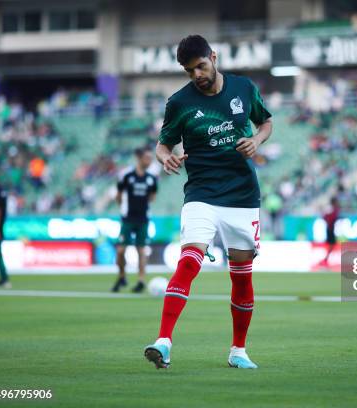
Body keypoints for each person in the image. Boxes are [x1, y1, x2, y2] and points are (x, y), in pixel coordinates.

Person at [143, 35, 272, 370]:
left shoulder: (244, 88)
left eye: (201, 66)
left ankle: (238, 350)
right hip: (201, 193)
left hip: (243, 195)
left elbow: (266, 121)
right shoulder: (179, 102)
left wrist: (256, 140)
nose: (197, 74)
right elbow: (162, 144)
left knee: (242, 276)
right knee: (190, 259)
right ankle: (164, 341)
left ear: (213, 57)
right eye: (189, 71)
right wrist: (165, 156)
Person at [112, 147, 158, 293]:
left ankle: (141, 280)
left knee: (142, 251)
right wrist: (123, 207)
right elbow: (118, 194)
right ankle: (122, 276)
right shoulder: (127, 175)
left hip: (143, 219)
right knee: (120, 250)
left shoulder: (151, 178)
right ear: (139, 158)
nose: (149, 161)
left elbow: (152, 197)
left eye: (151, 158)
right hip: (127, 218)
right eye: (147, 158)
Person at [320, 196, 340, 266]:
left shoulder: (332, 209)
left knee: (332, 245)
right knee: (331, 244)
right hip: (330, 229)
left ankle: (326, 259)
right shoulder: (332, 209)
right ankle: (325, 259)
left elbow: (325, 217)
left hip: (331, 228)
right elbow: (326, 217)